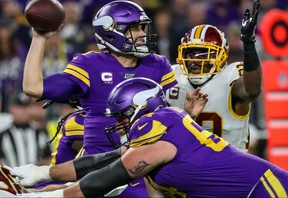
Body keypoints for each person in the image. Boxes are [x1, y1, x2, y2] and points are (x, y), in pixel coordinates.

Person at [12, 77, 288, 198]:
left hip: (264, 189)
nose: (117, 124)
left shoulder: (155, 129)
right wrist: (39, 176)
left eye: (120, 115)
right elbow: (97, 163)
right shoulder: (161, 135)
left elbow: (99, 181)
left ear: (139, 109)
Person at [22, 0, 178, 197]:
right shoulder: (90, 64)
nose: (142, 34)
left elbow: (176, 116)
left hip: (144, 167)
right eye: (134, 28)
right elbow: (33, 88)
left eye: (142, 28)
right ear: (111, 32)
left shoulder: (158, 65)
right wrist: (39, 38)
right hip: (97, 166)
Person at [166, 0, 262, 151]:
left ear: (221, 57)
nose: (194, 60)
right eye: (190, 53)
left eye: (203, 54)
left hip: (229, 168)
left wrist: (248, 44)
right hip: (185, 167)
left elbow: (253, 90)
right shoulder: (172, 76)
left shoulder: (229, 77)